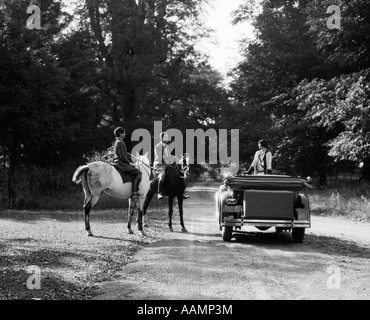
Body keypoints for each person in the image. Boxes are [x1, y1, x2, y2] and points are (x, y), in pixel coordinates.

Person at [153, 132, 189, 200]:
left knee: (178, 172)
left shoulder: (167, 146)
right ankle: (159, 193)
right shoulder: (157, 146)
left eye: (167, 137)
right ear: (161, 138)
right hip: (159, 164)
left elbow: (168, 157)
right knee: (163, 174)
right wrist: (171, 157)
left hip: (167, 163)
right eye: (165, 137)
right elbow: (160, 158)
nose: (167, 138)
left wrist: (172, 158)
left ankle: (182, 191)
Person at [112, 127, 142, 197]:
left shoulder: (118, 141)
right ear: (120, 133)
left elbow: (125, 153)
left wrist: (133, 156)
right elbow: (122, 156)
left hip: (119, 161)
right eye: (124, 133)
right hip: (121, 163)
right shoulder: (119, 142)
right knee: (139, 173)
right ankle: (135, 191)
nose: (125, 134)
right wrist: (129, 163)